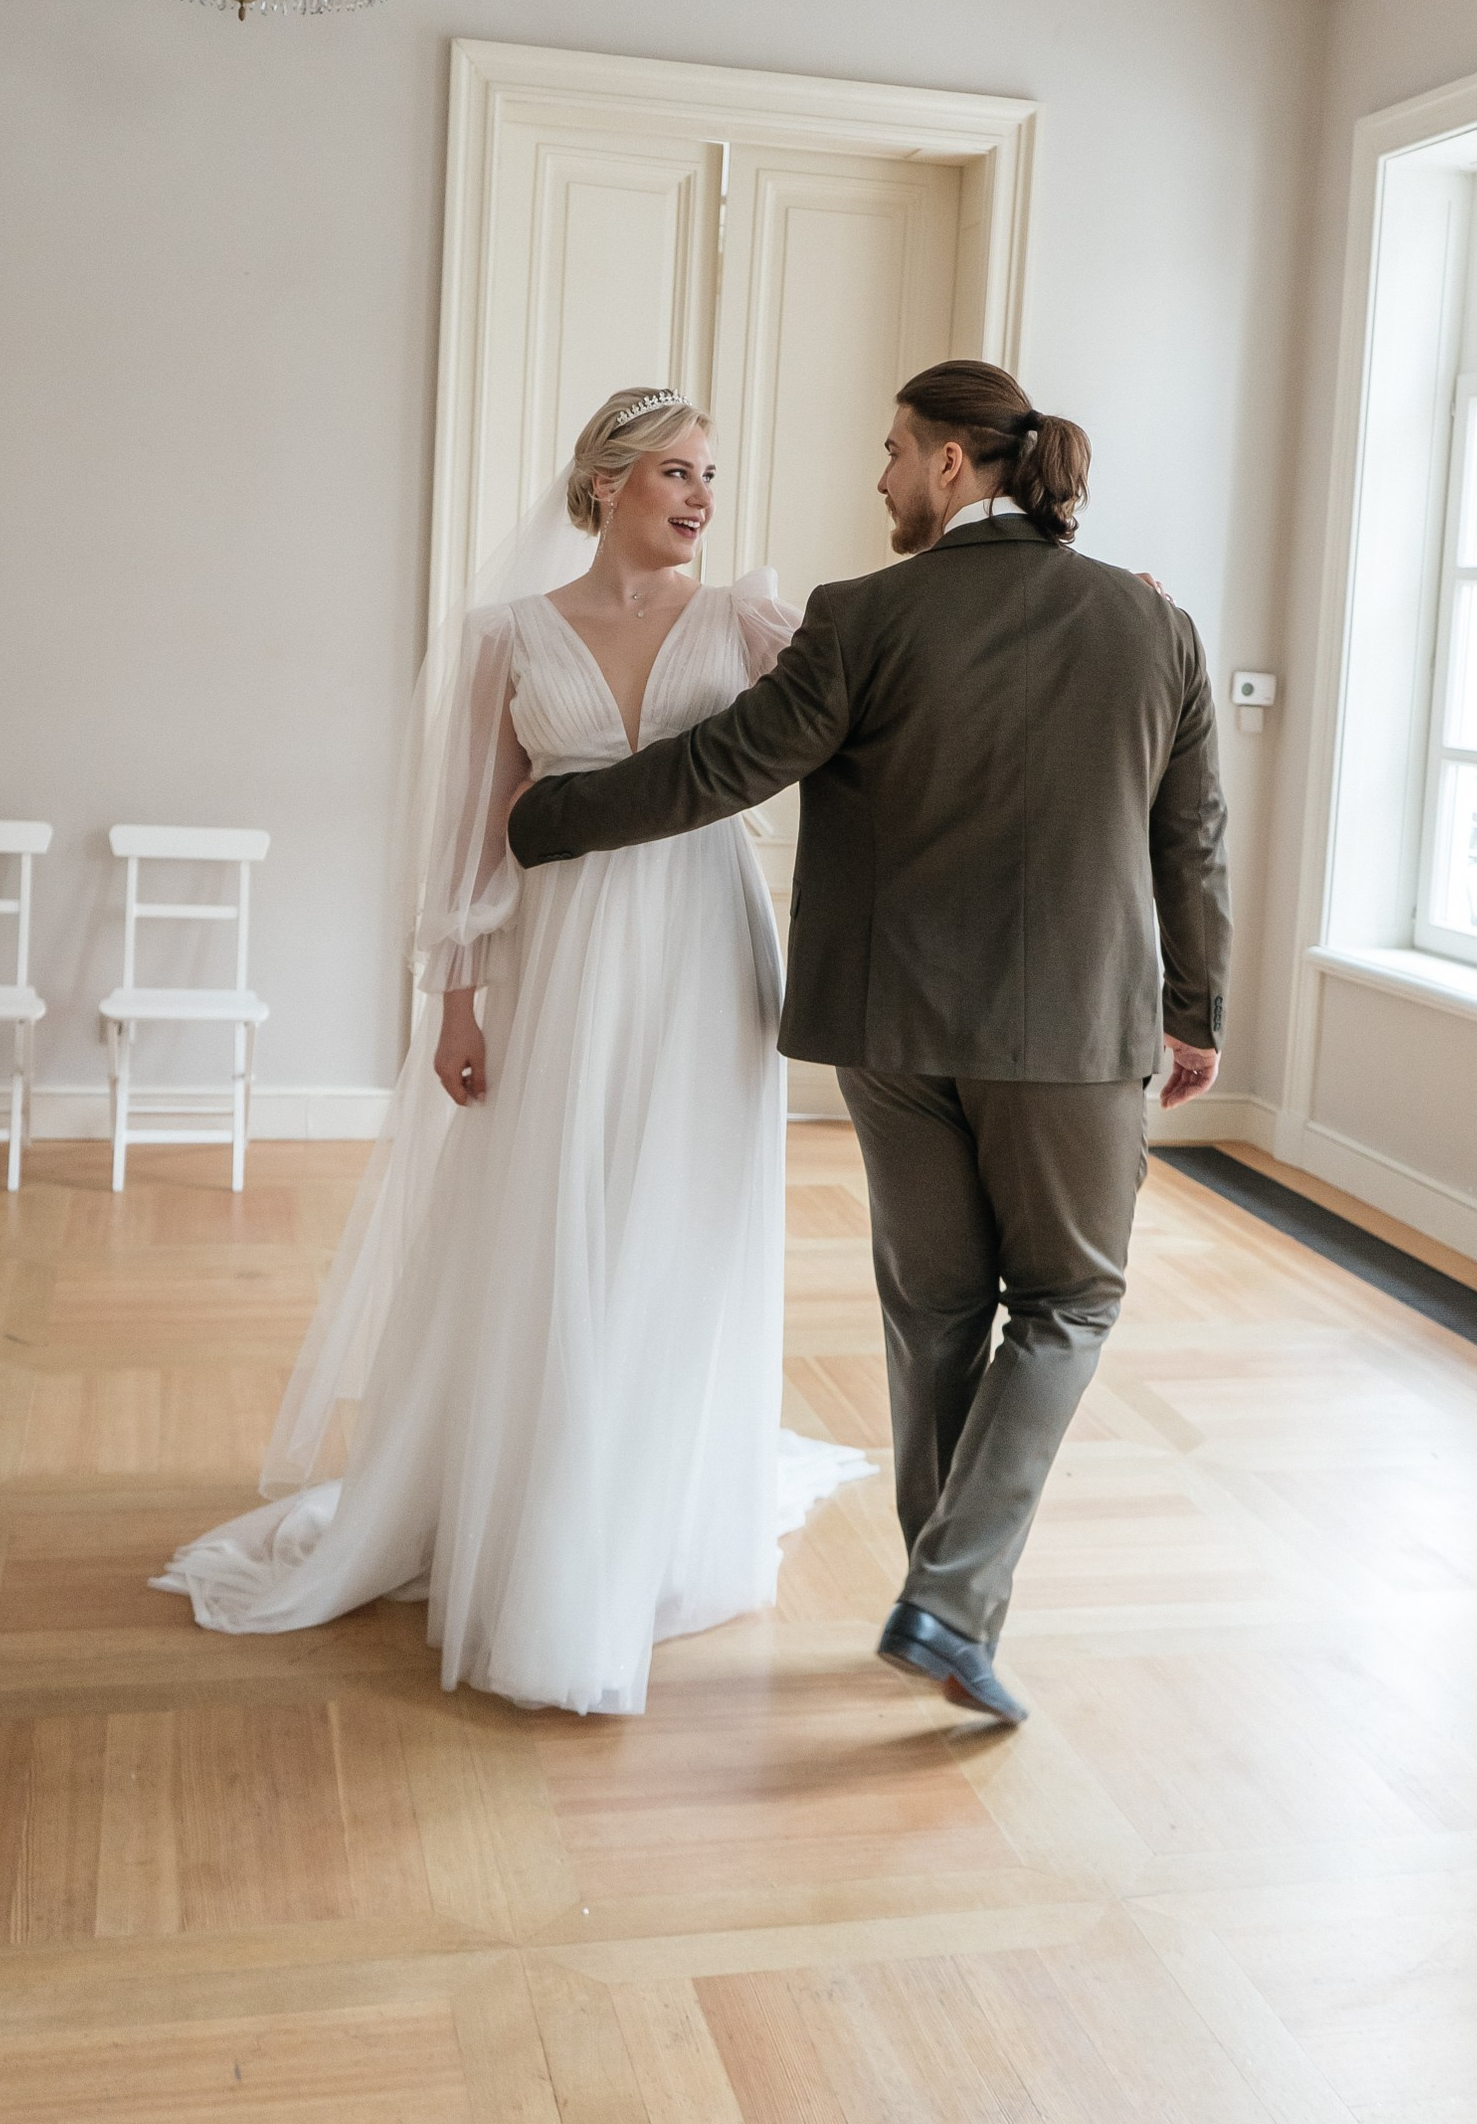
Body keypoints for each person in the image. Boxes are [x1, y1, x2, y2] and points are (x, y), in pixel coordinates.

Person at [509, 359, 1232, 1725]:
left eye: (896, 450)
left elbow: (724, 764)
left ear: (953, 464)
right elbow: (1187, 835)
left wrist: (549, 818)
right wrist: (1193, 1007)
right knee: (1068, 1303)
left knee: (938, 1311)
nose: (882, 476)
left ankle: (942, 1609)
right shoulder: (1153, 623)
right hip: (1071, 1030)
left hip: (891, 1025)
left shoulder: (864, 615)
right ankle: (947, 1602)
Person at [154, 388, 868, 1716]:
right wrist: (457, 1000)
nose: (702, 497)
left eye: (711, 474)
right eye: (676, 472)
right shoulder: (508, 637)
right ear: (604, 485)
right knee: (555, 1215)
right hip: (564, 955)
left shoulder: (752, 623)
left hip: (706, 951)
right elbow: (475, 832)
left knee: (678, 1219)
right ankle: (538, 1504)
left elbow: (879, 708)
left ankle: (649, 1512)